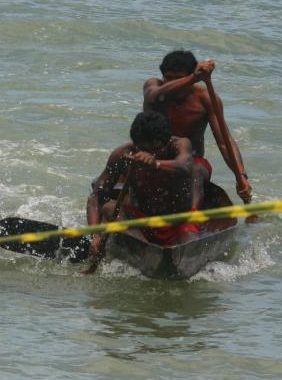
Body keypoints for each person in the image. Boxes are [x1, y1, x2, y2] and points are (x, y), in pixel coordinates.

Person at [83, 111, 198, 274]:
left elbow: (185, 166)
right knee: (109, 207)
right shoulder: (123, 155)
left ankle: (157, 253)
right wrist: (95, 236)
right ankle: (148, 251)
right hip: (142, 222)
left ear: (167, 143)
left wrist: (155, 163)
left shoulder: (180, 145)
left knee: (191, 245)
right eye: (143, 149)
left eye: (156, 150)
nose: (147, 154)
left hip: (179, 221)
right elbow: (96, 196)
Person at [143, 50, 252, 207]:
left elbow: (224, 142)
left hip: (191, 162)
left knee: (198, 171)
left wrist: (240, 176)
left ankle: (192, 215)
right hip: (153, 159)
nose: (171, 83)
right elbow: (155, 95)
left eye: (179, 78)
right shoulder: (153, 87)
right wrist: (193, 77)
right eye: (168, 78)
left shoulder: (206, 99)